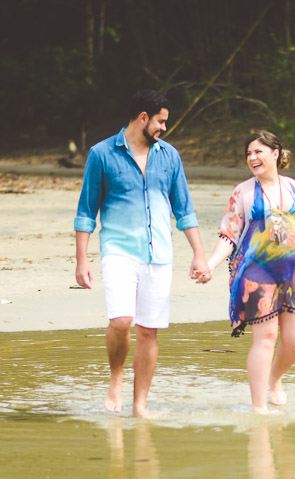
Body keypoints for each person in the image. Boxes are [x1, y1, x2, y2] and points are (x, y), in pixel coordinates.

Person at [74, 89, 211, 418]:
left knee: (148, 330)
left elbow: (185, 210)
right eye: (161, 121)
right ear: (143, 118)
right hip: (119, 250)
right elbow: (86, 211)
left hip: (160, 253)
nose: (164, 127)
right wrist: (81, 260)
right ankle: (116, 377)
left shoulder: (170, 157)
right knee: (121, 321)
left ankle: (140, 406)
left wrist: (199, 255)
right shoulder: (101, 154)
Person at [205, 131, 295, 413]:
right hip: (256, 269)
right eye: (249, 153)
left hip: (293, 268)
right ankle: (259, 407)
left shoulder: (293, 187)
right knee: (267, 337)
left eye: (258, 151)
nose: (252, 158)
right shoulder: (244, 191)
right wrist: (211, 264)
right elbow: (229, 234)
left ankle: (274, 379)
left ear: (275, 153)